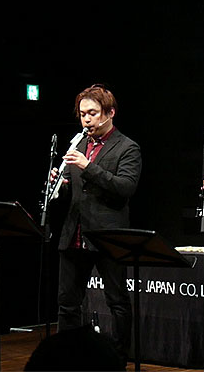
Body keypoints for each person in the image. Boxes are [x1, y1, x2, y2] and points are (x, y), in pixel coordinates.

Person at [50, 84, 141, 366]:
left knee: (117, 302)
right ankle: (68, 359)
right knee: (67, 303)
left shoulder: (127, 147)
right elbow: (75, 189)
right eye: (82, 114)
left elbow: (125, 188)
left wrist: (88, 167)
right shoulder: (78, 144)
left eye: (92, 113)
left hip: (107, 235)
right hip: (75, 232)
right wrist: (60, 184)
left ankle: (117, 360)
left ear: (110, 113)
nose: (86, 120)